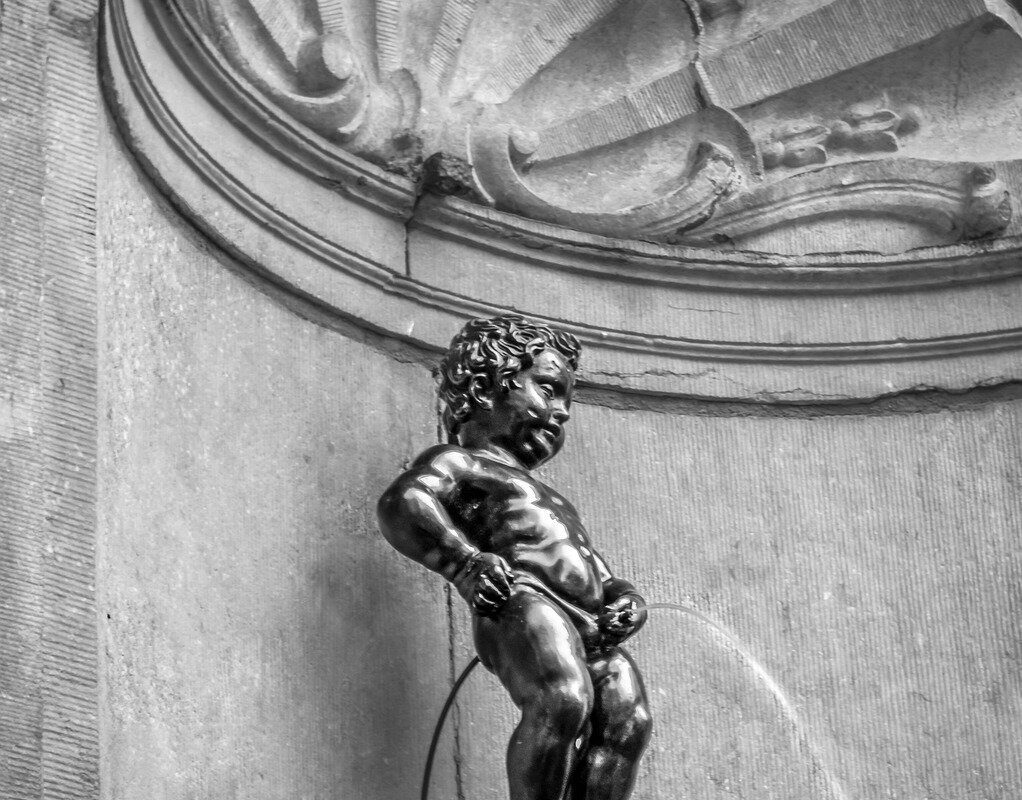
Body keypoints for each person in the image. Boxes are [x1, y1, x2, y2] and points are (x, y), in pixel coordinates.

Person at [377, 314, 651, 800]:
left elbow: (595, 567)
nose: (562, 411)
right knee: (562, 698)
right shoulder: (460, 462)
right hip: (522, 600)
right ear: (486, 386)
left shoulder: (553, 498)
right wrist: (464, 564)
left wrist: (623, 597)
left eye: (566, 398)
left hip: (590, 622)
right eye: (548, 389)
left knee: (629, 719)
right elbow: (405, 502)